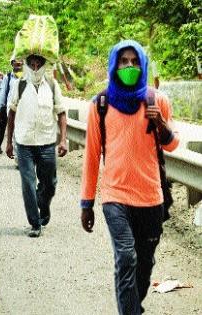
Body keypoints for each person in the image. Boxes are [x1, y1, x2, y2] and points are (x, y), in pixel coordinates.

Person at [80, 40, 179, 315]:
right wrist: (86, 203)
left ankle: (133, 306)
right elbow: (90, 157)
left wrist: (159, 122)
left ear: (143, 65)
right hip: (115, 197)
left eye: (135, 62)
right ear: (114, 65)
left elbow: (173, 145)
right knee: (126, 257)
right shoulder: (100, 104)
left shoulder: (157, 101)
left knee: (144, 266)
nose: (129, 67)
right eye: (123, 61)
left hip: (151, 198)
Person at [6, 54, 68, 237]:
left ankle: (44, 205)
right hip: (24, 142)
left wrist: (63, 140)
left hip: (47, 142)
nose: (34, 68)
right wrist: (9, 142)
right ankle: (35, 223)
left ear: (43, 65)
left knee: (50, 184)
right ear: (26, 65)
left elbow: (62, 113)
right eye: (31, 64)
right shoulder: (20, 85)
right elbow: (11, 113)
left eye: (38, 64)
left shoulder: (51, 84)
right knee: (28, 183)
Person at [0, 58, 24, 167]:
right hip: (11, 108)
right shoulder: (8, 77)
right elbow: (3, 94)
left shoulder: (26, 77)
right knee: (16, 132)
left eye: (20, 64)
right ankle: (19, 159)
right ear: (12, 64)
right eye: (15, 64)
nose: (18, 66)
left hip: (24, 108)